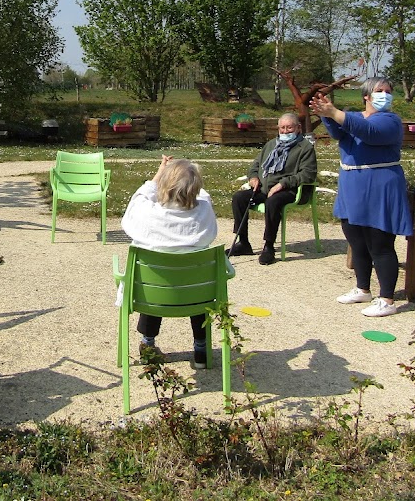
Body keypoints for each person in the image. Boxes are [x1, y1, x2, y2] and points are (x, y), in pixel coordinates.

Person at [309, 77, 412, 318]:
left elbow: (369, 132)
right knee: (357, 240)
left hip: (380, 185)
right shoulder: (354, 117)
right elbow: (338, 132)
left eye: (388, 91)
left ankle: (387, 298)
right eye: (379, 91)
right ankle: (363, 288)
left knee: (380, 243)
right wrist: (326, 113)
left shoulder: (390, 120)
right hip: (353, 185)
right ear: (366, 95)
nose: (385, 94)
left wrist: (335, 112)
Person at [121, 155, 229, 368]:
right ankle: (201, 348)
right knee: (197, 281)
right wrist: (188, 177)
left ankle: (148, 344)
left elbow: (141, 195)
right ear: (195, 188)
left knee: (152, 277)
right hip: (196, 294)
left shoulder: (146, 214)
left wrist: (160, 173)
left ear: (164, 185)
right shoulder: (204, 213)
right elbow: (205, 198)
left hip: (152, 295)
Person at [228, 112, 317, 265]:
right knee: (239, 198)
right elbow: (255, 165)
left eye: (289, 128)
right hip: (264, 188)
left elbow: (308, 174)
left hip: (291, 190)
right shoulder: (271, 144)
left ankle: (269, 246)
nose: (285, 131)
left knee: (273, 202)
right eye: (282, 128)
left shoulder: (305, 147)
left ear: (298, 128)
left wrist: (283, 183)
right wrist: (253, 177)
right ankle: (243, 243)